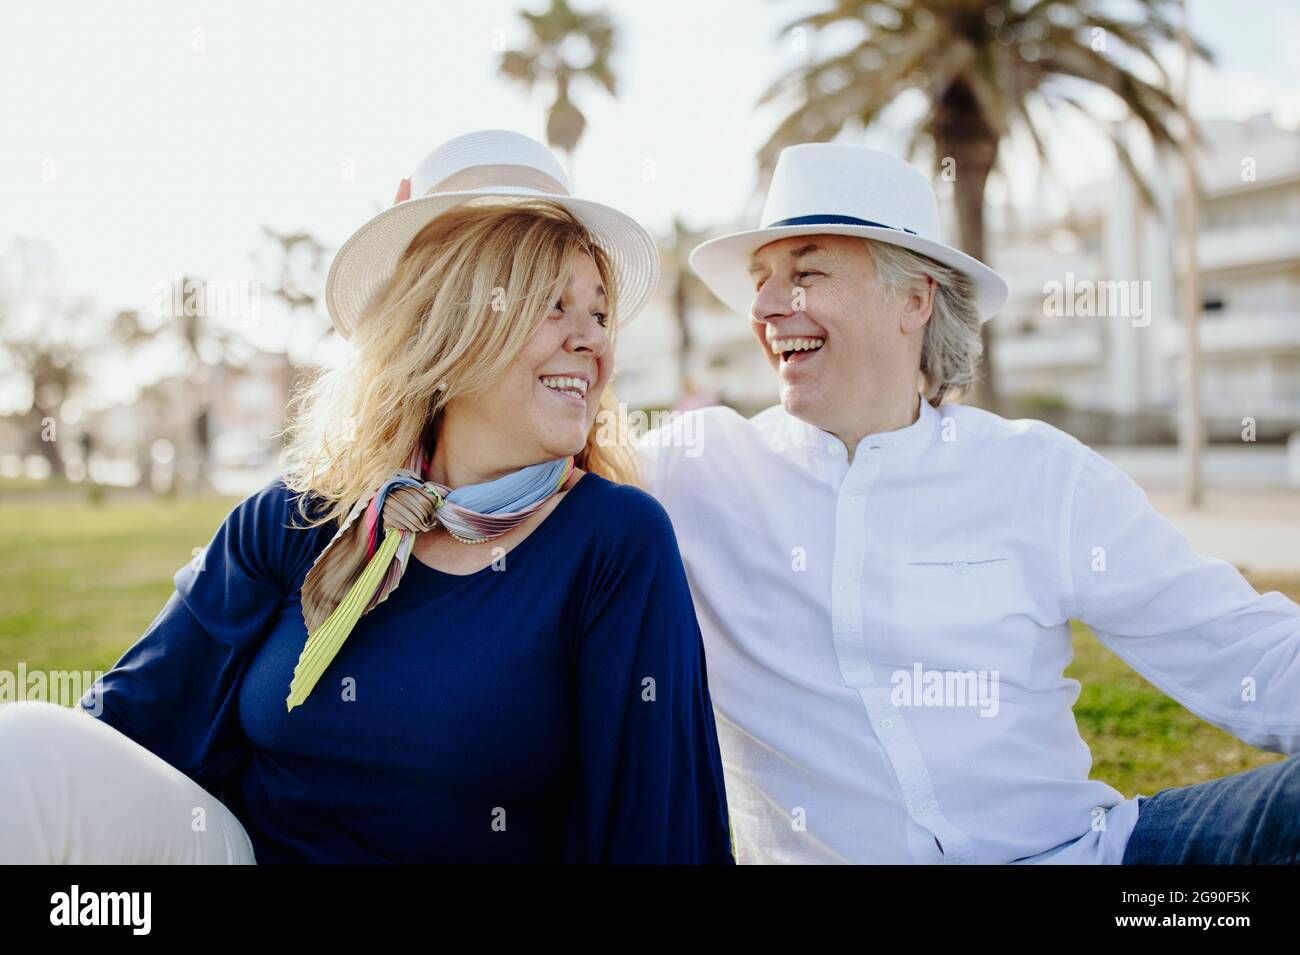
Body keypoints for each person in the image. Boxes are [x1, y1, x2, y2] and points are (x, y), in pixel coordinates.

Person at [0, 130, 733, 865]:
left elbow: (660, 834)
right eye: (552, 305)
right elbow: (125, 729)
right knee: (24, 750)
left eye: (599, 313)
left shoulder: (613, 540)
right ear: (449, 327)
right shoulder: (298, 515)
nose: (592, 341)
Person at [636, 142, 1300, 864]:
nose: (764, 306)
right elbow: (521, 482)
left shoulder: (1039, 473)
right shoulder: (693, 469)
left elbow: (1240, 644)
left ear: (914, 299)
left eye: (805, 273)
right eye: (762, 280)